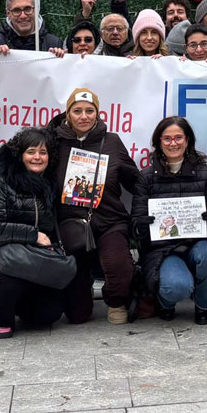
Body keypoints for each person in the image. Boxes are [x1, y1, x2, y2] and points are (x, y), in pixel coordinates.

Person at [48, 89, 141, 323]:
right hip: (70, 221)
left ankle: (117, 300)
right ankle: (82, 291)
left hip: (110, 219)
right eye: (77, 111)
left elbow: (134, 181)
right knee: (77, 315)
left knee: (120, 266)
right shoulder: (54, 143)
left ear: (97, 114)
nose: (84, 116)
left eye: (90, 111)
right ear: (68, 114)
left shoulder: (111, 141)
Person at [0, 128, 75, 337]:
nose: (37, 157)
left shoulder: (49, 186)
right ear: (20, 155)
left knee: (49, 314)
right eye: (31, 151)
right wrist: (33, 235)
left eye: (43, 152)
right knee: (13, 278)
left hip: (31, 255)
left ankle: (17, 306)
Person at [132, 117, 207, 325]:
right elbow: (135, 225)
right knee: (176, 287)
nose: (173, 143)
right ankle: (166, 302)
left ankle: (203, 300)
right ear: (159, 142)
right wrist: (142, 224)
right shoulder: (146, 177)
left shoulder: (204, 173)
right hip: (164, 250)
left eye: (178, 138)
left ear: (187, 140)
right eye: (167, 139)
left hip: (200, 244)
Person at [0, 0, 65, 52]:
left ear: (36, 10)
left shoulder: (54, 43)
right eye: (17, 10)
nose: (23, 16)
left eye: (28, 9)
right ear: (8, 13)